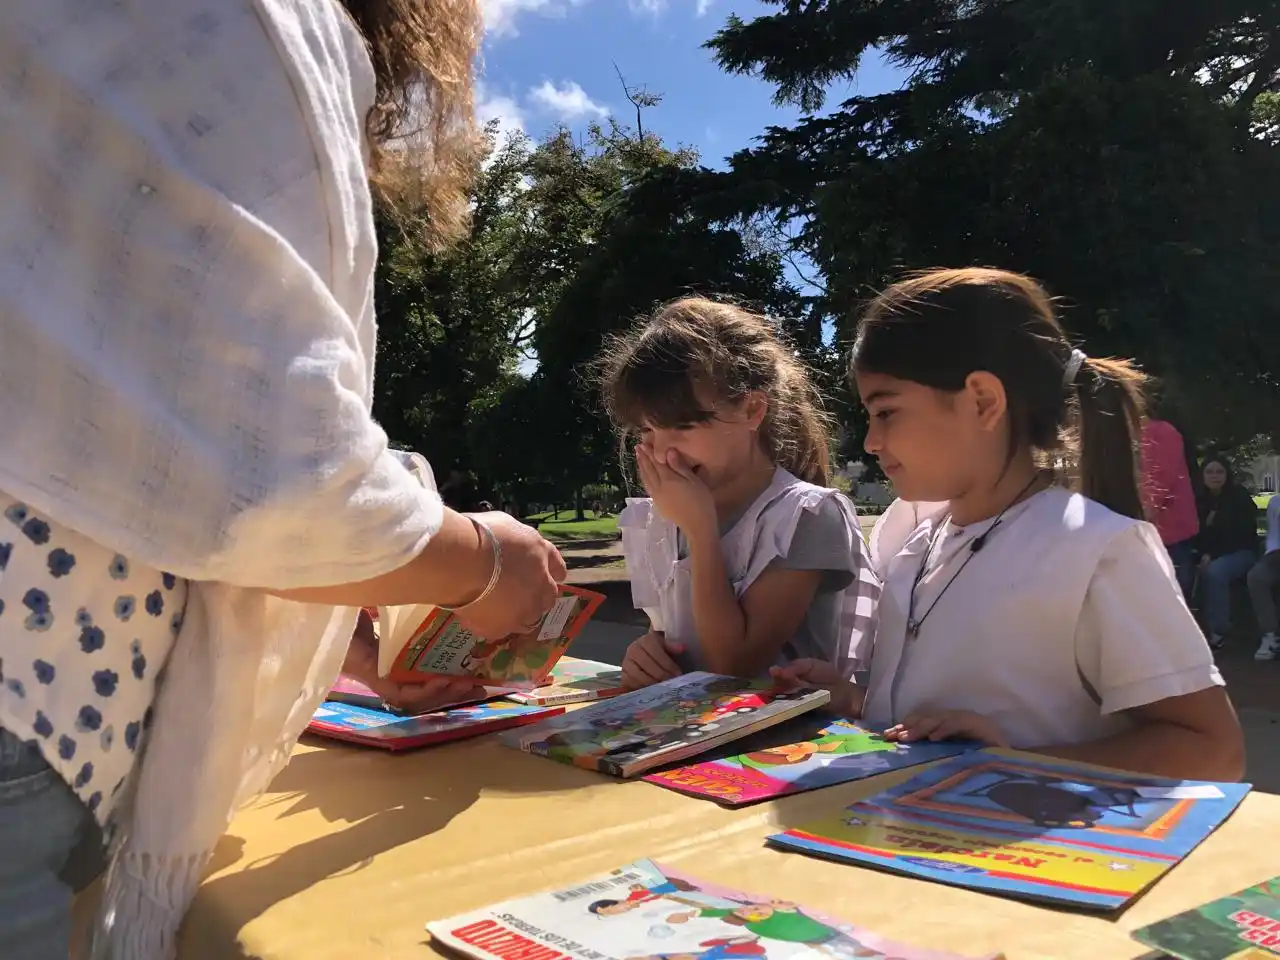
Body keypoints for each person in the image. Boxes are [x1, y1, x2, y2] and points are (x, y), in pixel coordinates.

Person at [0, 2, 568, 957]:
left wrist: (343, 654)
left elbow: (141, 444)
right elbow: (272, 481)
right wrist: (481, 563)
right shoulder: (244, 22)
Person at [775, 268, 1243, 782]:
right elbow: (935, 724)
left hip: (1025, 859)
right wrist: (852, 701)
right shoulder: (907, 537)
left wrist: (1012, 766)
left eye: (886, 412)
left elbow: (1213, 750)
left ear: (982, 402)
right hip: (905, 843)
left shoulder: (1095, 548)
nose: (870, 442)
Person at [598, 298, 880, 688]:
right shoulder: (663, 518)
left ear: (751, 411)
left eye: (681, 426)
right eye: (647, 431)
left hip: (785, 744)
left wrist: (700, 532)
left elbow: (732, 664)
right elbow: (674, 636)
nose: (663, 453)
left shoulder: (805, 516)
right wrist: (647, 652)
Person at [1196, 455, 1261, 649]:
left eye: (1219, 471)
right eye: (1209, 472)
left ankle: (1219, 631)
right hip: (1206, 553)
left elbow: (1243, 533)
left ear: (1227, 474)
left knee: (1215, 572)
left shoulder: (1239, 497)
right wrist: (1202, 553)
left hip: (1243, 552)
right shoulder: (1198, 499)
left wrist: (1211, 554)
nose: (1214, 476)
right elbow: (1197, 533)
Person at [1139, 405, 1200, 600]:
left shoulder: (1163, 432)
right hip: (1145, 529)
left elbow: (1162, 479)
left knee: (1174, 596)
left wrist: (1142, 514)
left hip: (1170, 531)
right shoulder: (1124, 438)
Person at [1246, 494, 1280, 661]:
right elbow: (1273, 537)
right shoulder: (1276, 502)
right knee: (1256, 577)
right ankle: (1270, 636)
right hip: (1276, 557)